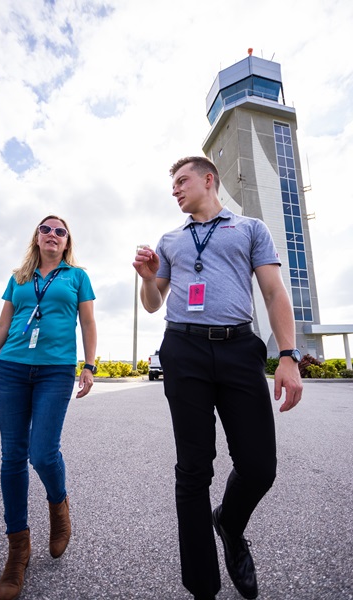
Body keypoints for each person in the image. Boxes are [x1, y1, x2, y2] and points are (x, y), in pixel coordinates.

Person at [133, 157, 303, 600]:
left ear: (209, 180)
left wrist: (288, 356)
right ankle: (202, 586)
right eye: (171, 184)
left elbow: (271, 292)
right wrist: (149, 279)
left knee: (259, 467)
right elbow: (153, 303)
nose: (174, 190)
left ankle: (229, 521)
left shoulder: (250, 229)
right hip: (183, 349)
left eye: (181, 181)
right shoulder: (170, 239)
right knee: (192, 470)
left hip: (238, 348)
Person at [0, 215, 97, 600]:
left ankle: (59, 506)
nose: (52, 234)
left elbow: (88, 322)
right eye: (46, 229)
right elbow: (2, 325)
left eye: (61, 231)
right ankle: (18, 550)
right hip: (15, 370)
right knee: (12, 457)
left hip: (55, 370)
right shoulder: (19, 277)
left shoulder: (76, 277)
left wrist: (88, 365)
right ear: (36, 237)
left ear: (67, 241)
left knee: (43, 452)